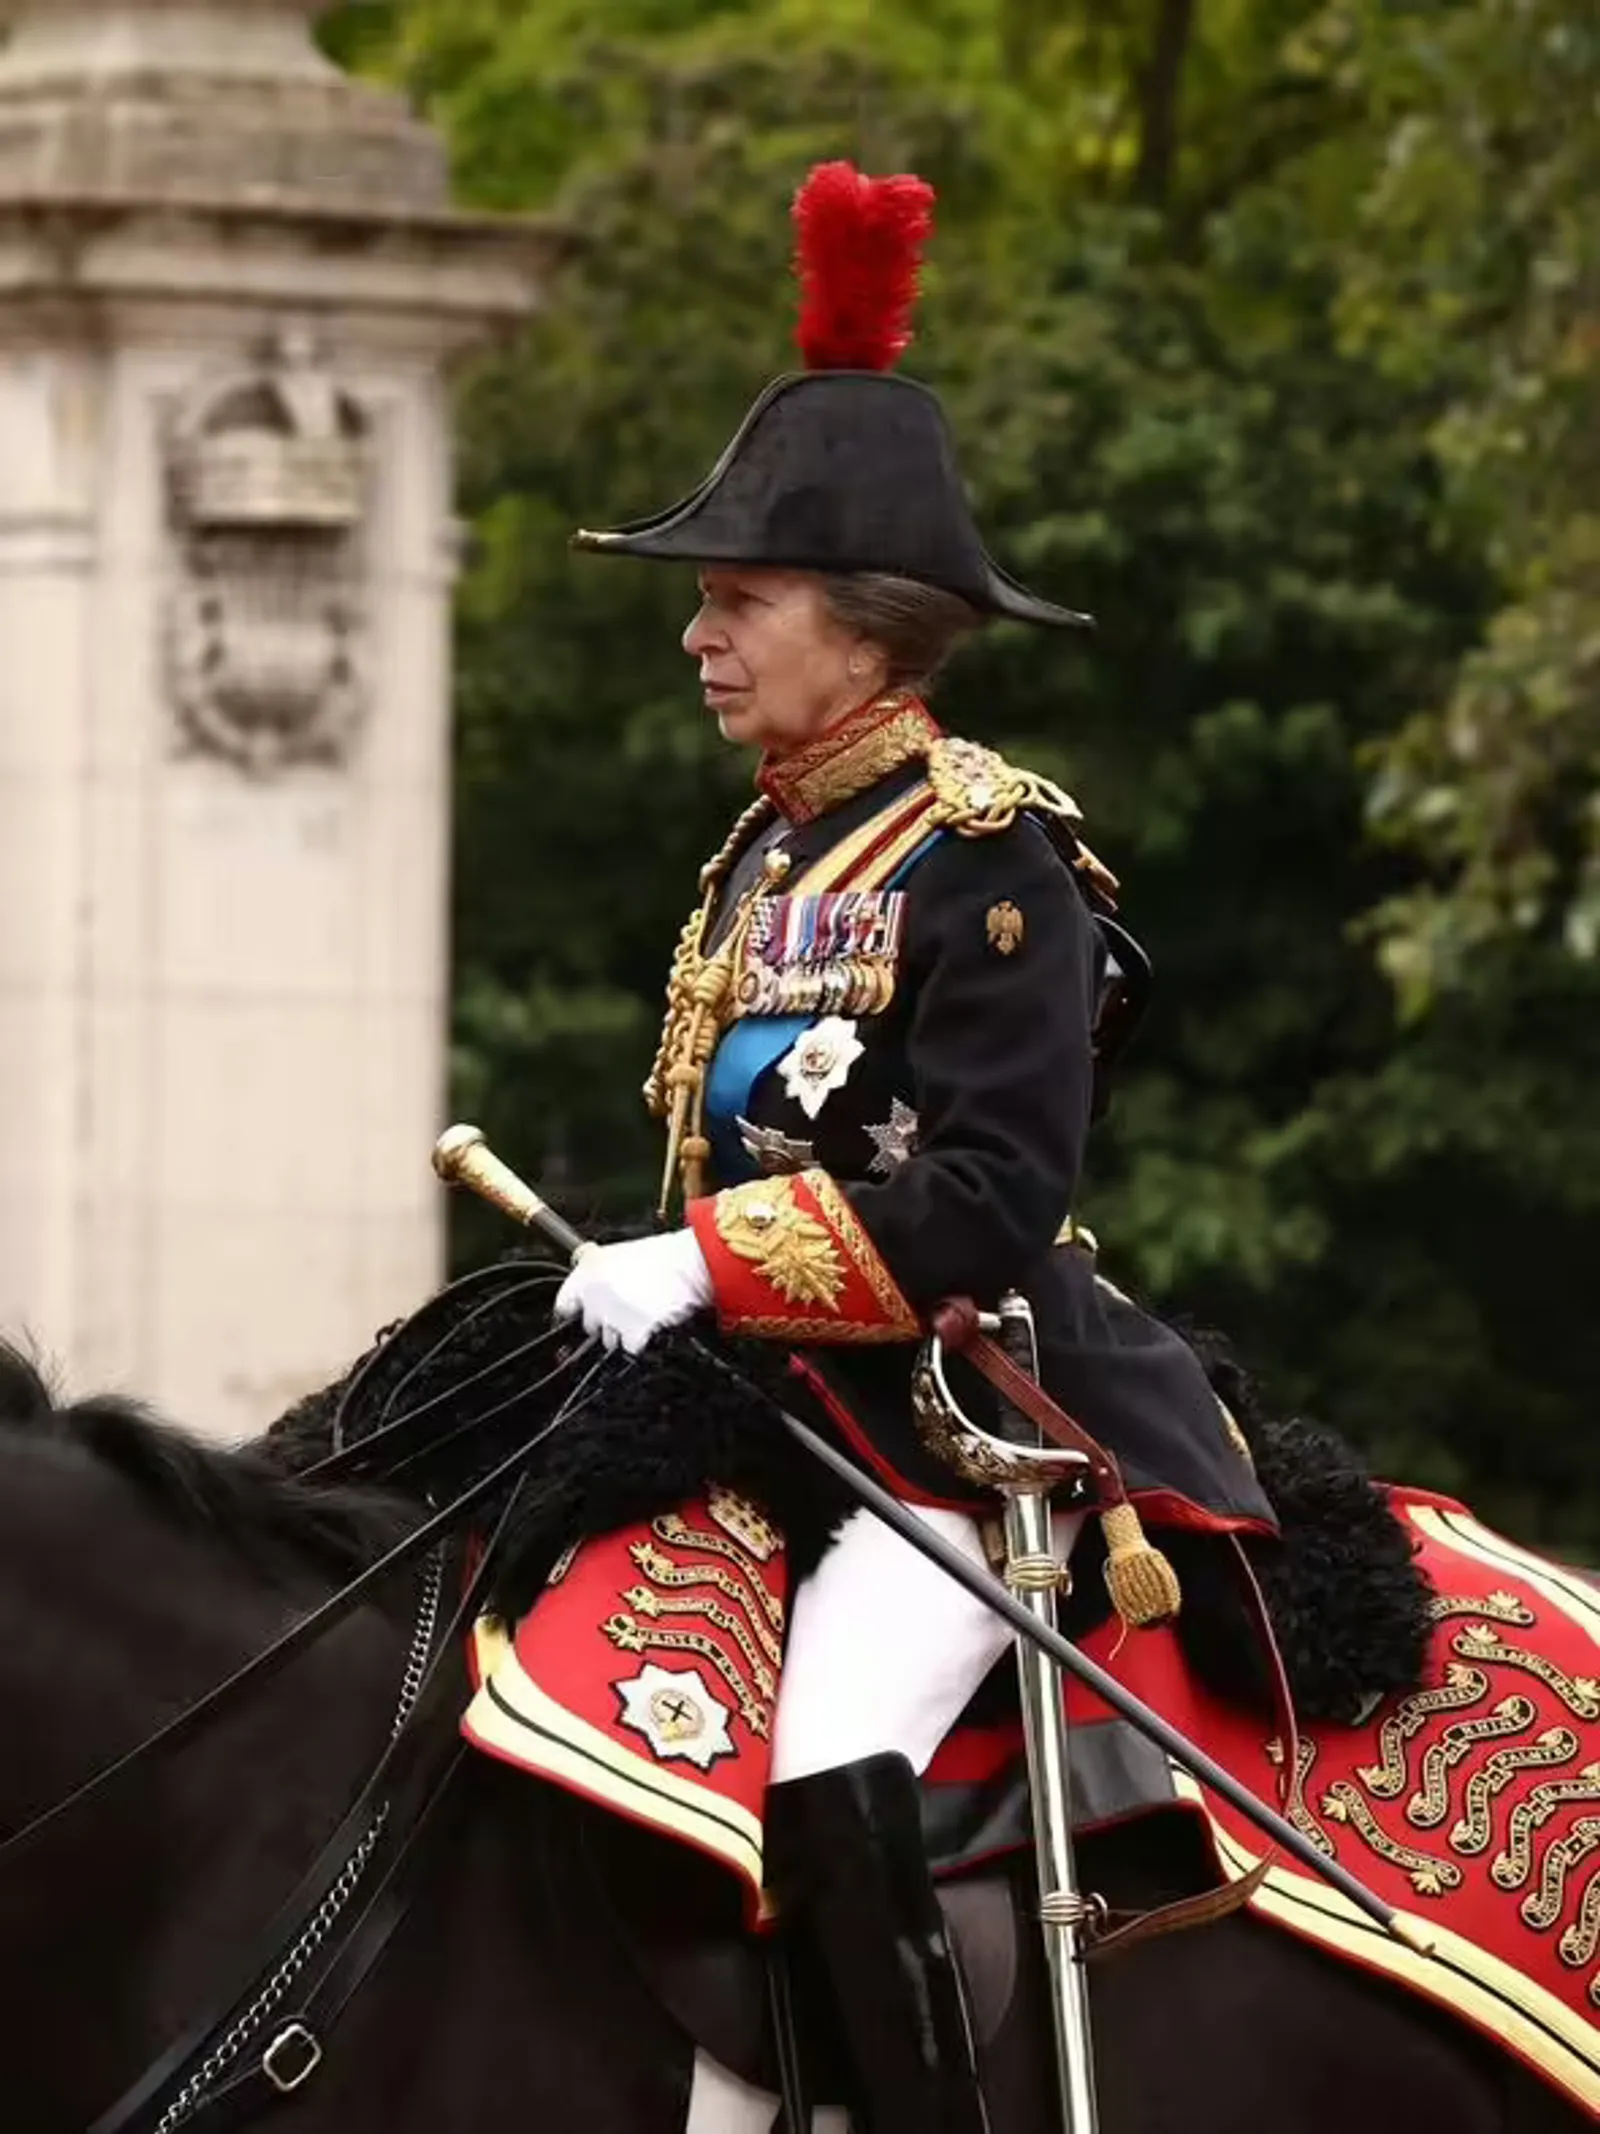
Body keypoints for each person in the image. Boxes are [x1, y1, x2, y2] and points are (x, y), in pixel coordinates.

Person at [555, 161, 1275, 2132]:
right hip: (761, 1402)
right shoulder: (764, 845)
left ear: (864, 630)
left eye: (735, 599)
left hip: (946, 1417)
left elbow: (976, 1196)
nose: (698, 636)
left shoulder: (988, 854)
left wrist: (705, 1263)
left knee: (824, 1754)